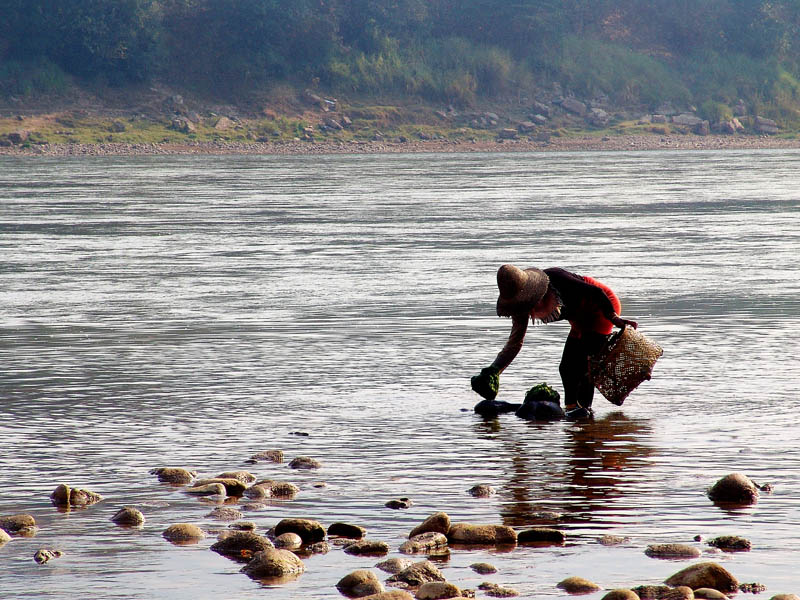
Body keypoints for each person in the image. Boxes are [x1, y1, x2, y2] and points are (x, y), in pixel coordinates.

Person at [472, 264, 638, 419]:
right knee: (566, 368)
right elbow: (514, 343)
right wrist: (494, 370)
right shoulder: (521, 308)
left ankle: (582, 413)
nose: (527, 308)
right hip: (578, 317)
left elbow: (595, 293)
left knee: (583, 366)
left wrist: (615, 319)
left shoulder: (557, 279)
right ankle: (575, 410)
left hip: (600, 307)